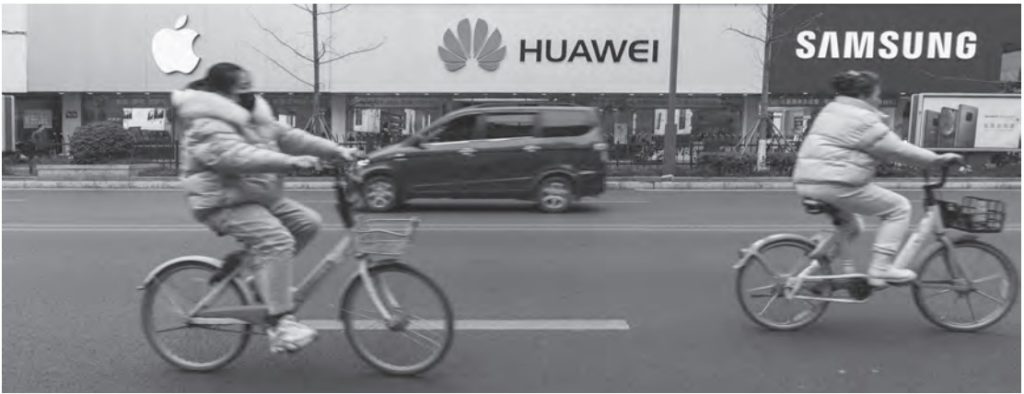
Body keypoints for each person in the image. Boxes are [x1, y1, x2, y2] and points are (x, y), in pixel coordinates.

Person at [172, 62, 360, 353]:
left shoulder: (253, 114)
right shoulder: (205, 120)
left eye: (250, 85)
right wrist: (289, 162)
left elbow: (289, 137)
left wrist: (337, 151)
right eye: (242, 87)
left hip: (252, 195)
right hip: (221, 200)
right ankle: (280, 324)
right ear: (223, 92)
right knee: (277, 240)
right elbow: (234, 156)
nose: (250, 92)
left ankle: (260, 278)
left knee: (307, 223)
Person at [792, 70, 962, 286]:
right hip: (835, 183)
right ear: (864, 95)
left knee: (852, 227)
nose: (879, 100)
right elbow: (896, 150)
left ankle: (811, 274)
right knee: (899, 208)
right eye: (877, 95)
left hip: (809, 180)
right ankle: (881, 269)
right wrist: (936, 160)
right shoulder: (862, 119)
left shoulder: (833, 110)